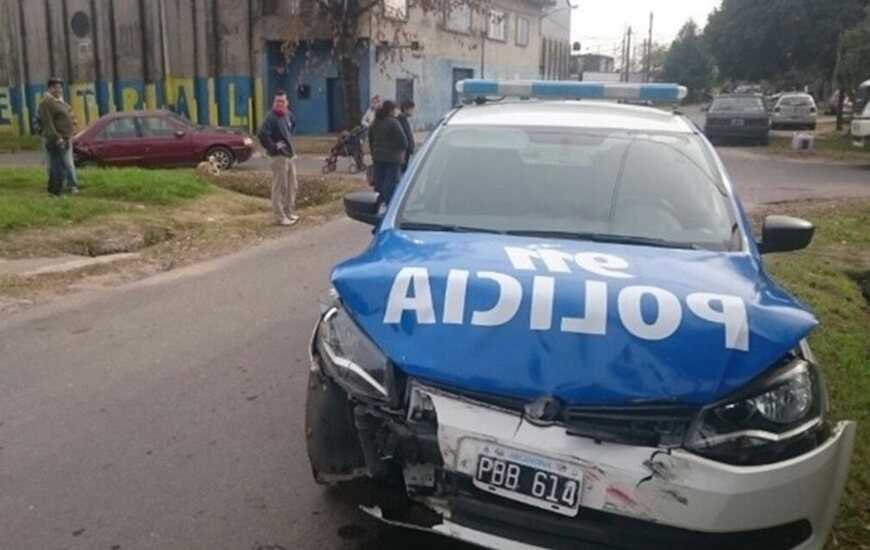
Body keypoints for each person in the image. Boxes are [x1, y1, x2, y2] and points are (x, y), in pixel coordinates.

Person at [257, 90, 300, 226]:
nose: (279, 104)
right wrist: (274, 146)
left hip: (289, 156)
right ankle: (279, 217)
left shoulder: (288, 115)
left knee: (292, 186)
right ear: (273, 102)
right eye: (277, 101)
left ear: (287, 103)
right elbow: (262, 134)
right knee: (280, 188)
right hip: (278, 158)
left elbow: (292, 127)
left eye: (282, 101)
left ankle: (288, 212)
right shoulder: (270, 117)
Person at [38, 77, 75, 197]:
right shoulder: (46, 103)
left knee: (61, 166)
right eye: (55, 87)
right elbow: (48, 123)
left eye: (60, 87)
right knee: (57, 167)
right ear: (49, 88)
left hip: (65, 138)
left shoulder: (59, 101)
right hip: (57, 140)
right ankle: (55, 193)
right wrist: (57, 138)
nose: (58, 89)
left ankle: (54, 191)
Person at [368, 100, 408, 205]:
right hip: (393, 159)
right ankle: (390, 206)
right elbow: (403, 141)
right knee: (391, 184)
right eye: (395, 109)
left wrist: (374, 153)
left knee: (379, 183)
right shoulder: (393, 122)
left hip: (378, 158)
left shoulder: (375, 122)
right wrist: (402, 152)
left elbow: (371, 140)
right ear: (391, 110)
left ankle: (377, 204)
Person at [397, 100, 415, 173]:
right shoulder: (399, 121)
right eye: (411, 109)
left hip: (407, 152)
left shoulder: (404, 120)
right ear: (405, 109)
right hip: (403, 153)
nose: (412, 112)